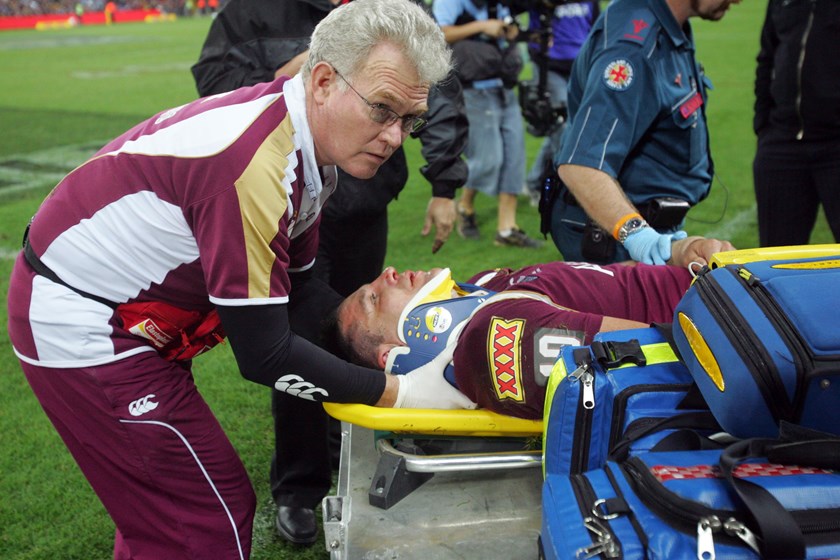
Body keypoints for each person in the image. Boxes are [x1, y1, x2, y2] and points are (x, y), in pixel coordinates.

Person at [6, 2, 475, 558]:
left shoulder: (303, 138)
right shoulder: (256, 163)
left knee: (168, 514)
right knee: (206, 513)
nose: (396, 137)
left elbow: (301, 293)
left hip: (120, 311)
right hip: (84, 321)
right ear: (323, 81)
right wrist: (401, 393)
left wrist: (399, 347)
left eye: (410, 119)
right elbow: (265, 354)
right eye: (382, 110)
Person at [191, 0, 469, 545]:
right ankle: (300, 485)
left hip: (358, 202)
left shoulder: (397, 11)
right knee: (294, 334)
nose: (395, 130)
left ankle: (365, 458)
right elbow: (217, 84)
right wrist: (306, 70)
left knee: (370, 334)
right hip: (277, 199)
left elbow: (433, 90)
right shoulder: (254, 11)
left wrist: (444, 182)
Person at [329, 236, 735, 420]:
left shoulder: (483, 287)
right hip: (737, 320)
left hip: (716, 284)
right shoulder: (494, 336)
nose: (388, 272)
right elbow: (669, 355)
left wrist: (680, 252)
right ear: (392, 354)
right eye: (375, 298)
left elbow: (606, 282)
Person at [549, 0, 741, 265]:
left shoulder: (667, 26)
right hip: (615, 234)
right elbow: (581, 165)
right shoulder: (634, 48)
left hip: (642, 225)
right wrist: (640, 238)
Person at [433, 0, 542, 248]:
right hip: (473, 91)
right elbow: (439, 33)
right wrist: (482, 26)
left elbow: (510, 28)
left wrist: (510, 32)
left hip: (504, 86)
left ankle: (506, 229)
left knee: (514, 159)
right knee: (487, 161)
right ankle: (466, 205)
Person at [753, 0, 840, 247]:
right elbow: (767, 56)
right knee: (775, 258)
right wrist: (763, 124)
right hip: (782, 143)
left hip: (835, 144)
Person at [521, 0, 599, 205]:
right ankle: (568, 190)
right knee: (564, 128)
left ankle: (535, 182)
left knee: (566, 127)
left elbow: (596, 25)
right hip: (549, 66)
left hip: (581, 66)